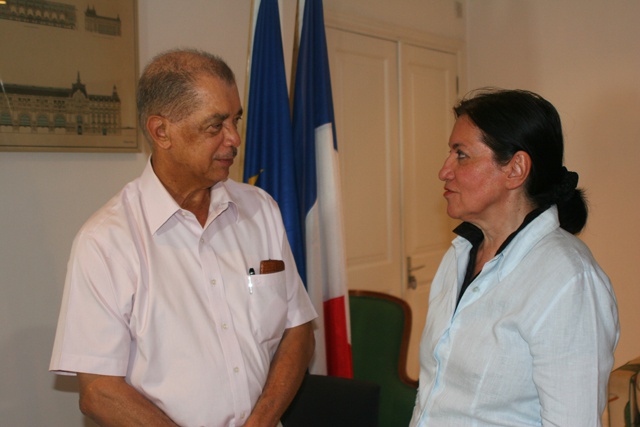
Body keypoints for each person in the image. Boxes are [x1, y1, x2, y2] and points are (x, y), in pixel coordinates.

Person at [50, 48, 317, 427]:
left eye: (236, 119)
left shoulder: (261, 210)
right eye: (215, 126)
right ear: (161, 131)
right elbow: (98, 390)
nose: (235, 138)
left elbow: (299, 329)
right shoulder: (106, 240)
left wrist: (260, 421)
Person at [410, 88, 619, 426]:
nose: (444, 171)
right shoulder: (460, 254)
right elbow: (434, 398)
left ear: (515, 169)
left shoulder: (568, 279)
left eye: (461, 155)